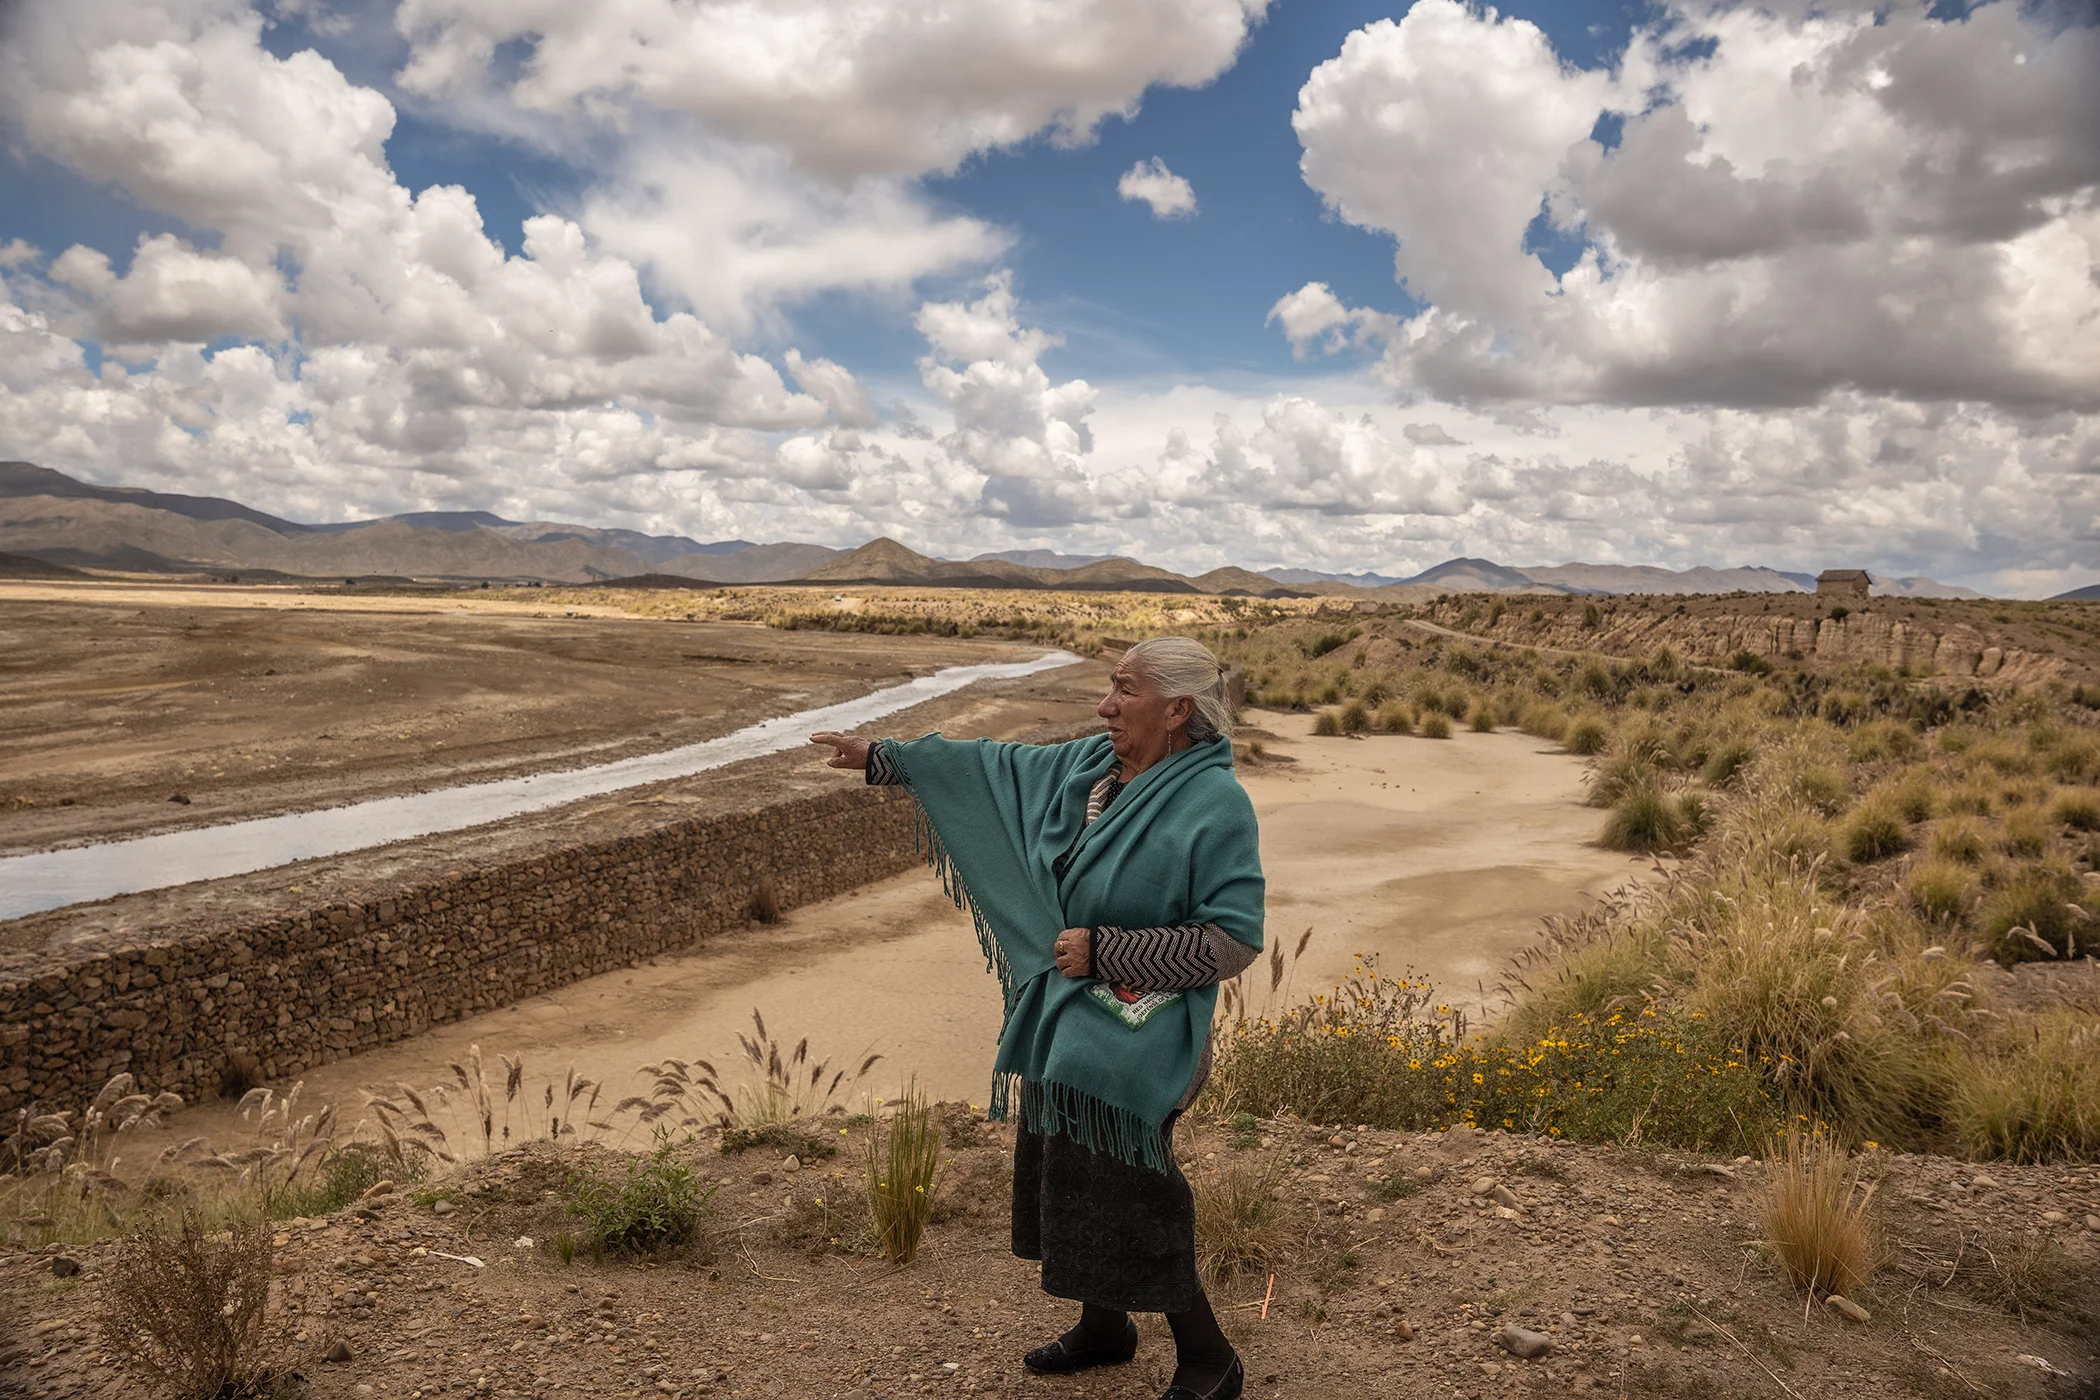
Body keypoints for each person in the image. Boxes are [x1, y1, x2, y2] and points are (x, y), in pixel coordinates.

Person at [810, 636, 1263, 1400]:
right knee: (1067, 1161)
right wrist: (881, 757)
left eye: (1125, 691)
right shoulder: (1091, 767)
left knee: (1128, 1184)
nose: (1106, 704)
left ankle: (1211, 1357)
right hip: (1067, 1010)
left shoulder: (1214, 805)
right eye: (1108, 687)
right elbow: (992, 768)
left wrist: (1107, 950)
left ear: (1178, 709)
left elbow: (1233, 941)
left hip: (1149, 1035)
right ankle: (1105, 1327)